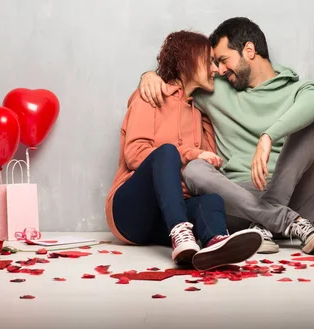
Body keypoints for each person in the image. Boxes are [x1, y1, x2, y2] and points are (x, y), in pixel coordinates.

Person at [138, 17, 314, 255]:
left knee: (312, 126)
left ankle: (269, 218)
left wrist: (268, 136)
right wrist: (150, 76)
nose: (218, 69)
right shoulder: (215, 89)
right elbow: (180, 82)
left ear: (249, 50)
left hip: (294, 198)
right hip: (238, 204)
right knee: (194, 169)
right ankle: (280, 220)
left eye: (223, 59)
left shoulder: (298, 90)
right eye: (215, 63)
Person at [105, 30, 263, 271]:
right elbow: (135, 153)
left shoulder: (200, 115)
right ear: (189, 59)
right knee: (167, 152)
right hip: (130, 213)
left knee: (211, 200)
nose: (215, 69)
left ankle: (216, 244)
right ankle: (181, 232)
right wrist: (189, 153)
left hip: (165, 219)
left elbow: (207, 168)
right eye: (209, 60)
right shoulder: (152, 96)